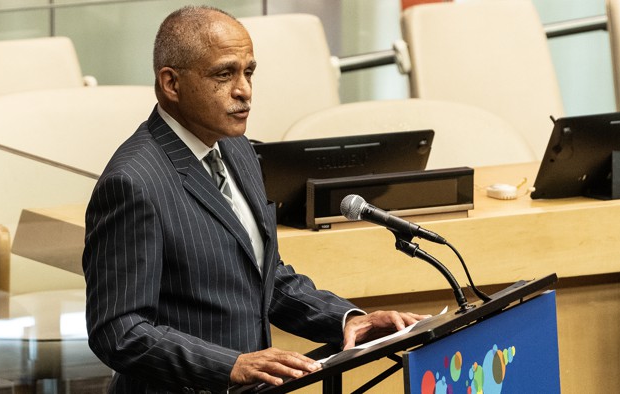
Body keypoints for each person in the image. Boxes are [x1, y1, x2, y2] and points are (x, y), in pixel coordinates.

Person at [83, 5, 428, 393]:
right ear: (171, 84)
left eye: (249, 72)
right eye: (223, 74)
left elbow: (263, 278)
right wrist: (229, 365)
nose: (244, 89)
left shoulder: (238, 150)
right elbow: (118, 330)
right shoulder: (132, 183)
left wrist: (345, 319)